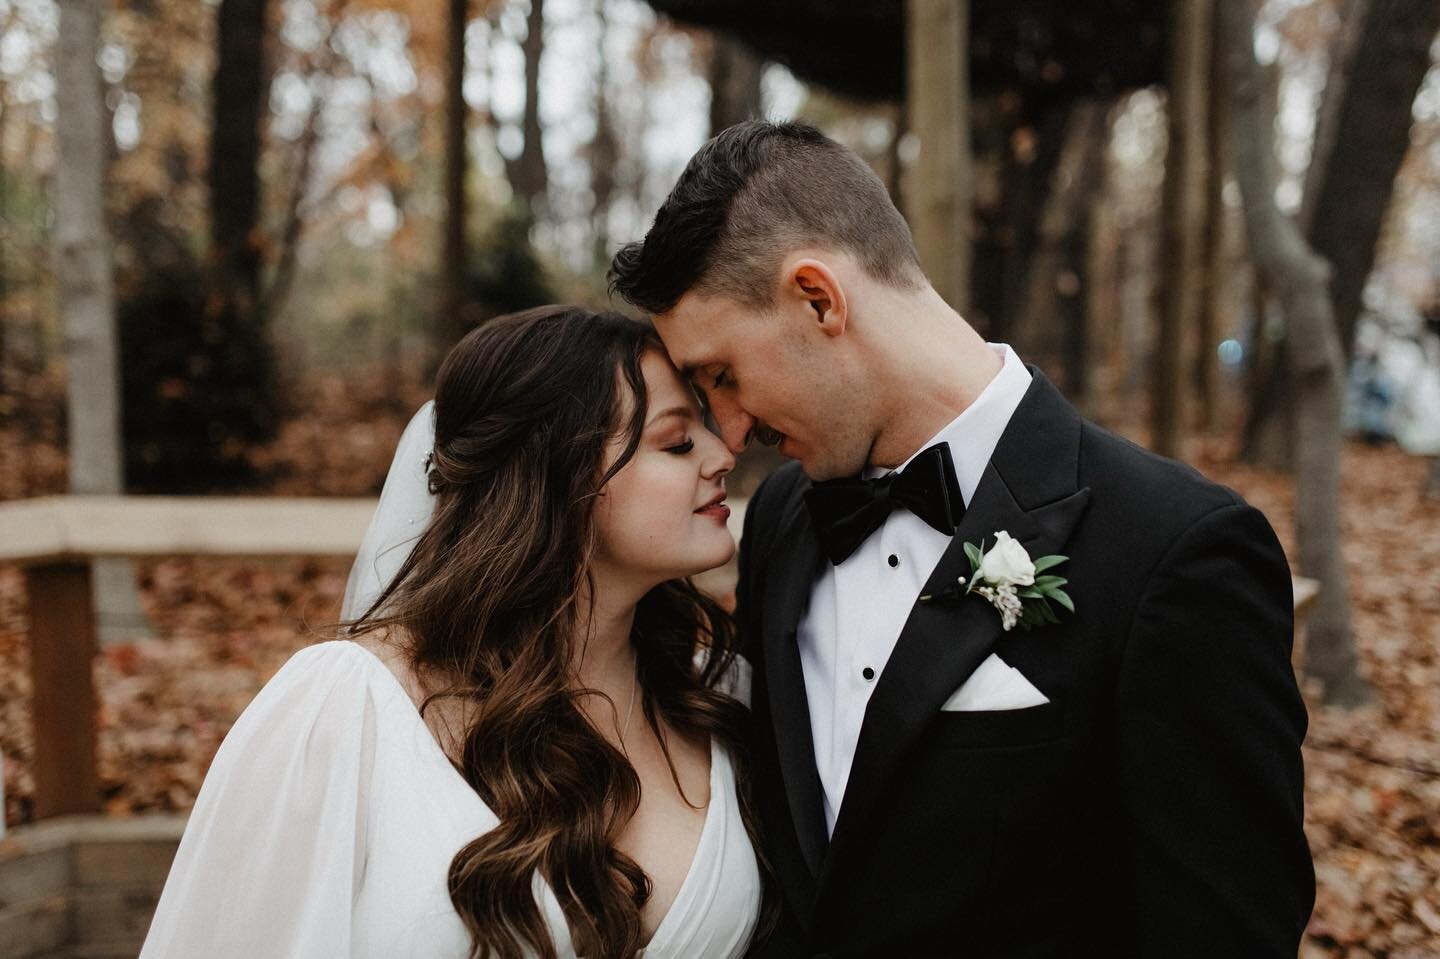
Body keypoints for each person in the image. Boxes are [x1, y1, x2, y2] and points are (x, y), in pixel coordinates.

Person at [610, 120, 1315, 958]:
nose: (730, 428)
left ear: (818, 298)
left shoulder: (1175, 550)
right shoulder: (782, 521)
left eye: (724, 374)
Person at [140, 306, 769, 959]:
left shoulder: (719, 695)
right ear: (559, 477)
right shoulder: (345, 708)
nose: (725, 454)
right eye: (676, 441)